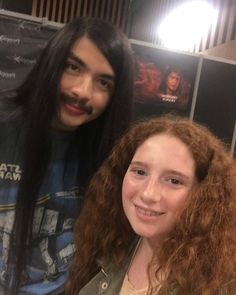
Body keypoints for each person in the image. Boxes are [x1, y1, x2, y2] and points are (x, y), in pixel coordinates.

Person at [0, 16, 134, 294]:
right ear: (52, 63)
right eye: (73, 67)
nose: (82, 91)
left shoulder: (112, 157)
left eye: (104, 83)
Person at [66, 115, 236, 294]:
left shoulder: (217, 282)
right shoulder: (111, 240)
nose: (148, 194)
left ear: (203, 194)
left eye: (174, 180)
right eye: (139, 171)